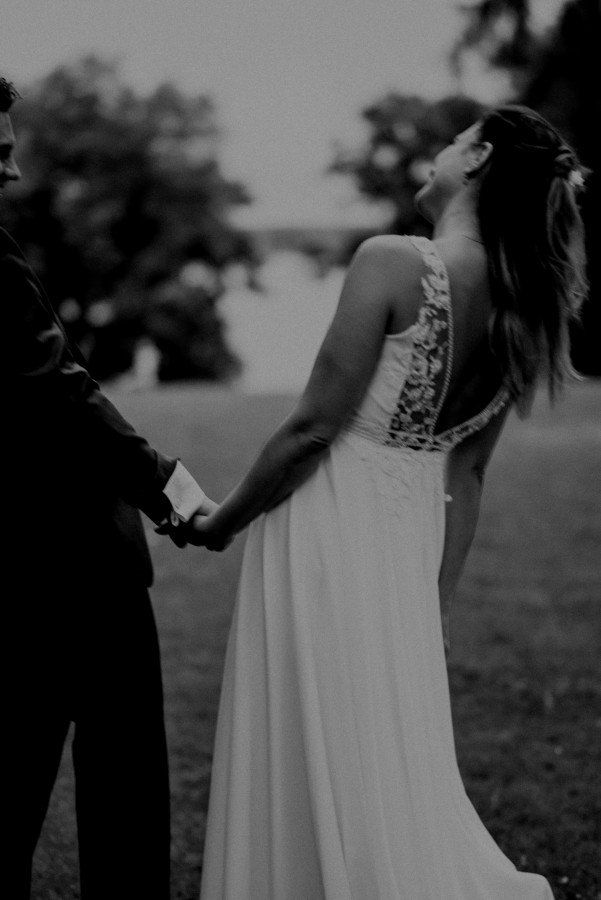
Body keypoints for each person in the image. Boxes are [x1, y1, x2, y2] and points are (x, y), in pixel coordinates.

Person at [185, 105, 588, 899]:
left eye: (452, 140)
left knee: (316, 726)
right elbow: (468, 475)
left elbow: (313, 429)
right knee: (375, 738)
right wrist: (432, 604)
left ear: (477, 157)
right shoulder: (523, 307)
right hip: (408, 548)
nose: (437, 152)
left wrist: (221, 522)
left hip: (329, 525)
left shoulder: (393, 262)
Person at [1, 77, 216, 900]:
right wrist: (172, 490)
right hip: (73, 565)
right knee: (123, 798)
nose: (14, 170)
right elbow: (62, 390)